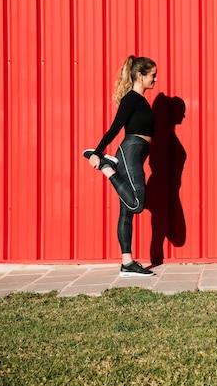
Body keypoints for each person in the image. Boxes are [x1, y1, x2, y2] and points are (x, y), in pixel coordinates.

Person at [83, 55, 158, 277]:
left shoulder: (141, 100)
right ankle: (107, 168)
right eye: (152, 75)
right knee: (136, 204)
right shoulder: (132, 99)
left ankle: (127, 263)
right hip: (130, 152)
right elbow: (115, 128)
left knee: (127, 211)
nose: (155, 79)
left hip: (135, 154)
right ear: (140, 75)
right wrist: (97, 153)